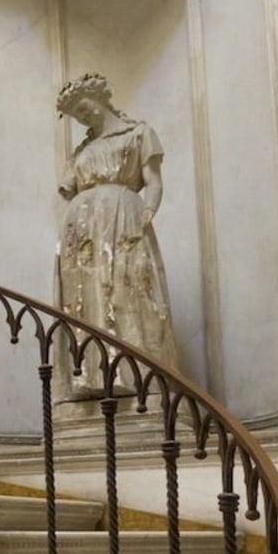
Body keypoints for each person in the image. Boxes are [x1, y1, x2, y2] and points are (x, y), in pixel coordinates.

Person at [55, 72, 184, 373]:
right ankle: (93, 375)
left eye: (85, 108)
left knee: (129, 290)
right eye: (78, 117)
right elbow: (67, 190)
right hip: (82, 232)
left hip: (124, 217)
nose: (84, 118)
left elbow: (154, 182)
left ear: (100, 98)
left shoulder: (138, 133)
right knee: (86, 300)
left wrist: (148, 211)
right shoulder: (81, 153)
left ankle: (138, 374)